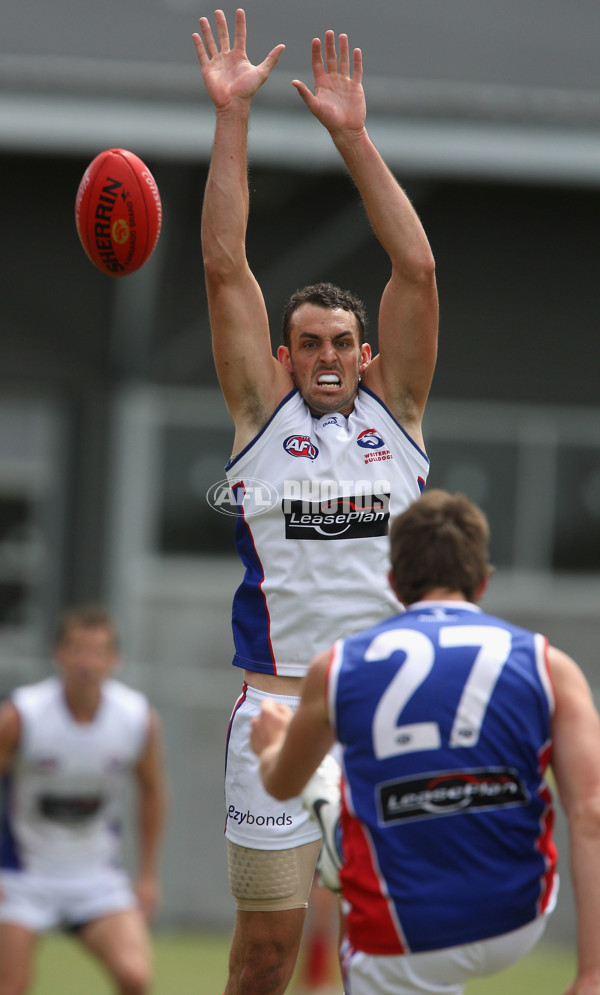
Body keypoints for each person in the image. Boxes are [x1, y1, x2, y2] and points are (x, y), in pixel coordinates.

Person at [193, 8, 438, 993]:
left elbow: (415, 269)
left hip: (387, 715)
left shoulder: (402, 416)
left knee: (397, 953)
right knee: (265, 955)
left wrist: (351, 134)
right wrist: (232, 116)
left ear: (366, 353)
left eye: (346, 339)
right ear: (286, 356)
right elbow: (223, 268)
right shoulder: (259, 416)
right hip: (278, 716)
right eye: (312, 342)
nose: (330, 354)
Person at [250, 489, 600, 995]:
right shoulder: (551, 664)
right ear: (481, 582)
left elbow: (281, 784)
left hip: (402, 929)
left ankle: (330, 808)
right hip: (518, 916)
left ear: (393, 584)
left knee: (335, 800)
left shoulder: (337, 666)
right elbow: (589, 810)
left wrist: (269, 748)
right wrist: (592, 972)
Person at [0, 603, 167, 995]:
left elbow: (153, 792)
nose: (86, 662)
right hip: (23, 876)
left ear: (115, 659)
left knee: (135, 977)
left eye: (97, 651)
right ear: (58, 653)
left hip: (95, 876)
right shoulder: (21, 715)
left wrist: (147, 875)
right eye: (76, 649)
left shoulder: (136, 718)